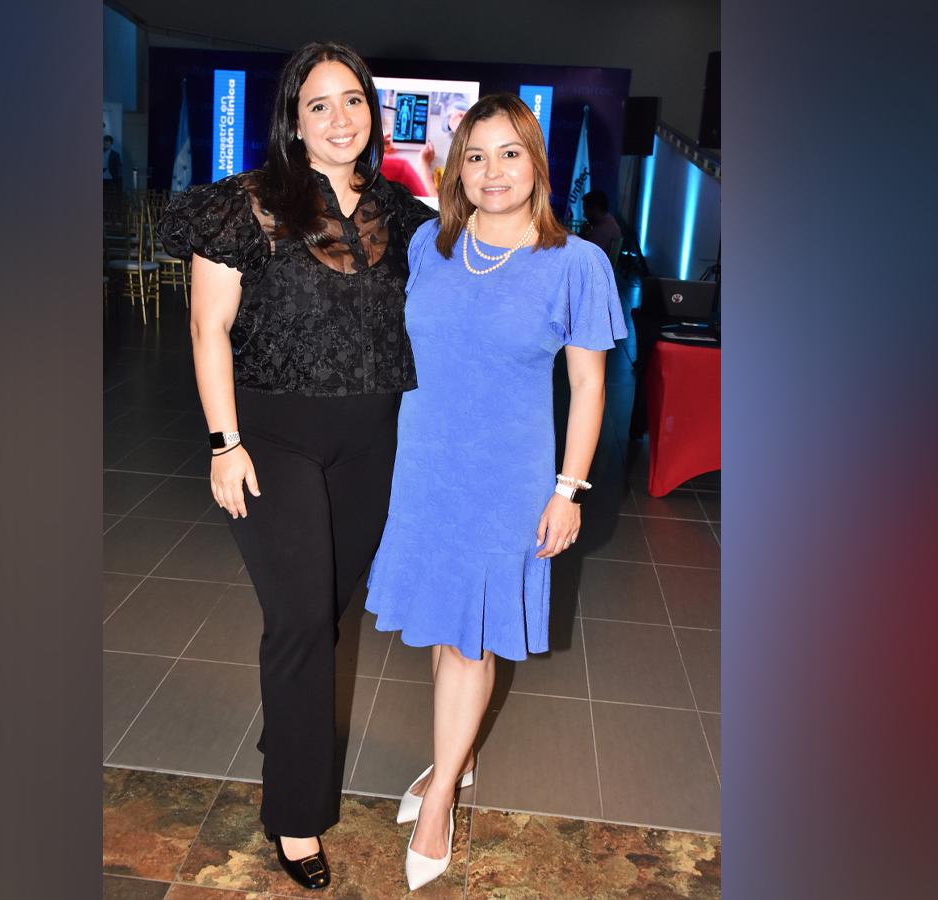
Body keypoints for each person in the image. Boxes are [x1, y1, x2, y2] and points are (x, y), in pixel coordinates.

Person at [157, 41, 435, 892]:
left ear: (372, 112)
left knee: (324, 611)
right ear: (293, 120)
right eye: (319, 104)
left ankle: (292, 732)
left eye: (352, 100)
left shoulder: (406, 214)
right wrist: (223, 444)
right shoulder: (242, 207)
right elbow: (207, 331)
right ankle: (296, 816)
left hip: (372, 442)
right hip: (268, 436)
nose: (339, 118)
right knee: (302, 619)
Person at [364, 93, 628, 891]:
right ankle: (460, 755)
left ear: (537, 164)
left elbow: (588, 389)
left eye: (511, 152)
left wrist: (568, 491)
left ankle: (442, 790)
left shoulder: (575, 263)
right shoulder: (427, 245)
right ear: (456, 169)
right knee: (449, 629)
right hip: (426, 468)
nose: (493, 170)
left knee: (473, 639)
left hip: (508, 480)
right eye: (476, 155)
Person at [580, 188, 622, 263]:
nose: (584, 215)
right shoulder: (610, 223)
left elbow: (583, 257)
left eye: (586, 210)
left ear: (595, 209)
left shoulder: (600, 232)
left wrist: (581, 236)